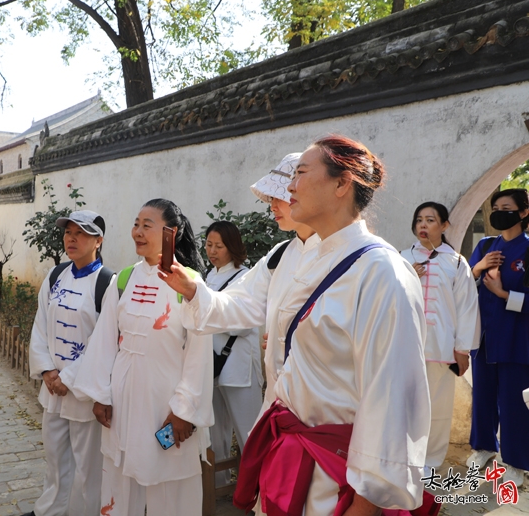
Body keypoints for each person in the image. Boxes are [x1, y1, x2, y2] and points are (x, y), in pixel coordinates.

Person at [161, 135, 433, 516]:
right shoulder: (286, 256)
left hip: (336, 471)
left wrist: (367, 500)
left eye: (301, 174)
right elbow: (242, 306)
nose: (288, 187)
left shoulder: (381, 272)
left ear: (342, 184)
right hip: (288, 449)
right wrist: (193, 291)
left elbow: (391, 400)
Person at [71, 199, 213, 516]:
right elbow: (105, 342)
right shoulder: (122, 279)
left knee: (171, 489)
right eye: (136, 224)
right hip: (122, 403)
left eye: (146, 225)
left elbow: (199, 354)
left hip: (166, 406)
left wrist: (184, 410)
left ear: (170, 233)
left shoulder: (189, 283)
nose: (137, 231)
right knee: (119, 486)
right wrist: (100, 394)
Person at [177, 152, 320, 416]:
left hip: (325, 402)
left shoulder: (351, 258)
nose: (272, 205)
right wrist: (192, 290)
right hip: (282, 394)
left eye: (279, 196)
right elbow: (240, 303)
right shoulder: (280, 254)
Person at [26, 210, 114, 516]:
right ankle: (50, 511)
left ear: (98, 241)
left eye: (81, 233)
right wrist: (49, 371)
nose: (71, 238)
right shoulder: (55, 276)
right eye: (68, 232)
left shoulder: (107, 283)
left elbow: (105, 341)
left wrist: (70, 377)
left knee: (87, 467)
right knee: (55, 458)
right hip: (52, 389)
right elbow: (40, 326)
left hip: (83, 392)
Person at [400, 202, 480, 472]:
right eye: (419, 219)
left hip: (441, 348)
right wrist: (407, 275)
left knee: (437, 408)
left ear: (444, 226)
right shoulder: (400, 259)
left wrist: (462, 349)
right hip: (404, 346)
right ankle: (402, 457)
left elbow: (467, 307)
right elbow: (387, 299)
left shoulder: (456, 262)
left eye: (430, 220)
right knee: (403, 404)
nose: (423, 225)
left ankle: (429, 462)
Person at [467, 188, 529, 487]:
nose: (499, 211)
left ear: (524, 212)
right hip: (484, 336)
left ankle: (516, 463)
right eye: (495, 207)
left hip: (517, 339)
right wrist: (477, 268)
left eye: (506, 207)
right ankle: (484, 447)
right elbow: (461, 286)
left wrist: (502, 294)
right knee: (482, 395)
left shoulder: (528, 251)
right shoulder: (484, 245)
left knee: (514, 402)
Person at [203, 220, 263, 487]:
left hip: (238, 365)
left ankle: (259, 491)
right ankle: (221, 486)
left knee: (249, 432)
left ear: (233, 247)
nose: (213, 251)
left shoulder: (246, 277)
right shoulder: (209, 276)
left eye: (220, 246)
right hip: (211, 365)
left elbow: (243, 322)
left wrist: (206, 315)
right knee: (215, 433)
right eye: (209, 245)